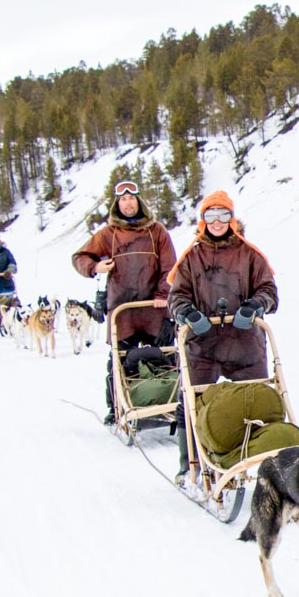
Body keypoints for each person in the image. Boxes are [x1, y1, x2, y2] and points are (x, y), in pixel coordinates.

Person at [166, 190, 279, 483]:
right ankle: (189, 464)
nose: (218, 222)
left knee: (257, 401)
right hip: (203, 345)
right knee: (193, 400)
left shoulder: (250, 254)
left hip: (245, 345)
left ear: (233, 219)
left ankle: (260, 462)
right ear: (203, 221)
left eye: (223, 215)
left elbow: (268, 290)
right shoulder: (191, 257)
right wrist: (188, 314)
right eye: (211, 216)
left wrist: (255, 305)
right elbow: (176, 296)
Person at [72, 180, 177, 424]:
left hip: (154, 309)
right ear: (117, 205)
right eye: (123, 199)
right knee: (119, 360)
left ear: (139, 202)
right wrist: (95, 266)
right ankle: (117, 405)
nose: (128, 203)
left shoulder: (157, 231)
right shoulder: (109, 234)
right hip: (122, 310)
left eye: (131, 198)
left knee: (164, 356)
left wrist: (163, 296)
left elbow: (170, 268)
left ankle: (168, 400)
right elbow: (80, 257)